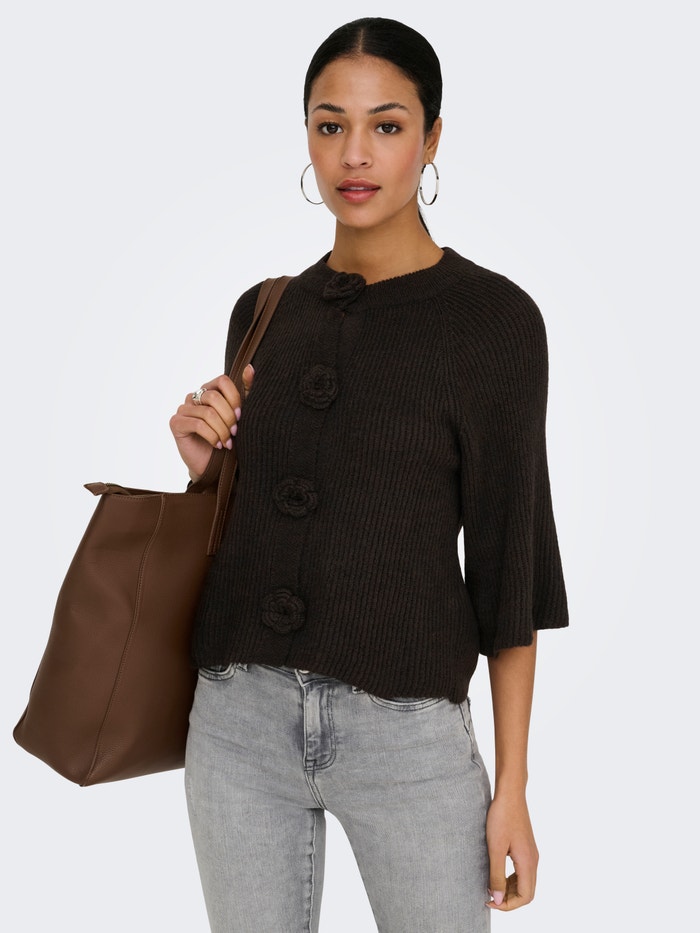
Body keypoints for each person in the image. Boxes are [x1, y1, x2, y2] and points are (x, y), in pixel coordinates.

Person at [169, 17, 568, 933]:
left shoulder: (494, 323)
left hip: (408, 738)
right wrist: (208, 473)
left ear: (432, 137)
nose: (355, 154)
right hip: (236, 723)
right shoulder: (263, 310)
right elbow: (254, 527)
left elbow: (509, 569)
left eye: (387, 125)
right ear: (306, 135)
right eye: (330, 124)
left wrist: (512, 786)